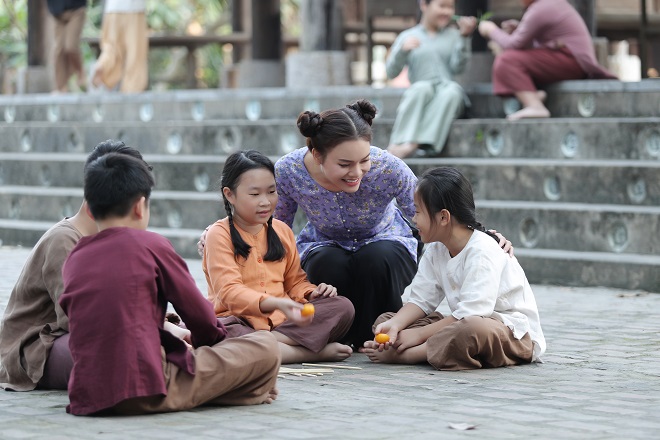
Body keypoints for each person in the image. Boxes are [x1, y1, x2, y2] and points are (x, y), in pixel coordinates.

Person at [59, 153, 280, 416]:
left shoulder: (76, 255)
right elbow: (200, 317)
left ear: (89, 208)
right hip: (151, 387)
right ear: (140, 207)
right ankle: (241, 391)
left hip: (88, 395)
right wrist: (214, 346)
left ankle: (235, 391)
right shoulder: (152, 245)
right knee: (265, 347)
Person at [0, 140, 148, 392]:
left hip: (75, 335)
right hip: (33, 350)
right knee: (113, 351)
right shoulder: (63, 240)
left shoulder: (110, 239)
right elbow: (77, 318)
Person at [363, 167, 546, 370]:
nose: (414, 219)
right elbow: (421, 300)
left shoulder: (482, 250)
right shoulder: (436, 248)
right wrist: (396, 325)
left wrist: (417, 335)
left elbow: (472, 315)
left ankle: (408, 355)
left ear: (443, 217)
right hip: (461, 322)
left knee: (470, 329)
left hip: (510, 333)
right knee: (387, 319)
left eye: (417, 211)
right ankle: (428, 347)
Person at [202, 150, 355, 364]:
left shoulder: (281, 231)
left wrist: (312, 293)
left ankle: (266, 346)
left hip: (282, 323)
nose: (265, 202)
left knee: (342, 307)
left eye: (271, 191)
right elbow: (229, 293)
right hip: (238, 322)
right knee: (219, 334)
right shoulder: (219, 234)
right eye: (254, 194)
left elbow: (295, 282)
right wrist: (274, 303)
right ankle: (311, 353)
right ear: (229, 195)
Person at [478, 0, 617, 120]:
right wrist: (519, 29)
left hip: (572, 60)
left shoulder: (541, 7)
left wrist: (491, 30)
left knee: (506, 60)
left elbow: (512, 45)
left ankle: (535, 105)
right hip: (570, 61)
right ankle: (533, 95)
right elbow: (537, 45)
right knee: (509, 58)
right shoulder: (547, 4)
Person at [386, 0, 477, 159]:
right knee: (421, 88)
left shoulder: (455, 36)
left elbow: (459, 69)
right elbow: (391, 72)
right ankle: (399, 143)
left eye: (450, 7)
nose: (447, 12)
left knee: (452, 91)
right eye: (442, 6)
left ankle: (413, 144)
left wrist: (464, 38)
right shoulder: (407, 36)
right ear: (424, 5)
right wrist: (402, 51)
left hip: (448, 95)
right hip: (422, 94)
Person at [89, 0, 148, 93]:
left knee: (111, 48)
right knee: (135, 53)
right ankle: (132, 91)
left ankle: (102, 66)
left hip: (112, 9)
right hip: (135, 8)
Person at [46, 0, 87, 93]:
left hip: (76, 9)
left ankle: (80, 73)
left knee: (70, 46)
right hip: (57, 12)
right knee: (58, 50)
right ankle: (60, 87)